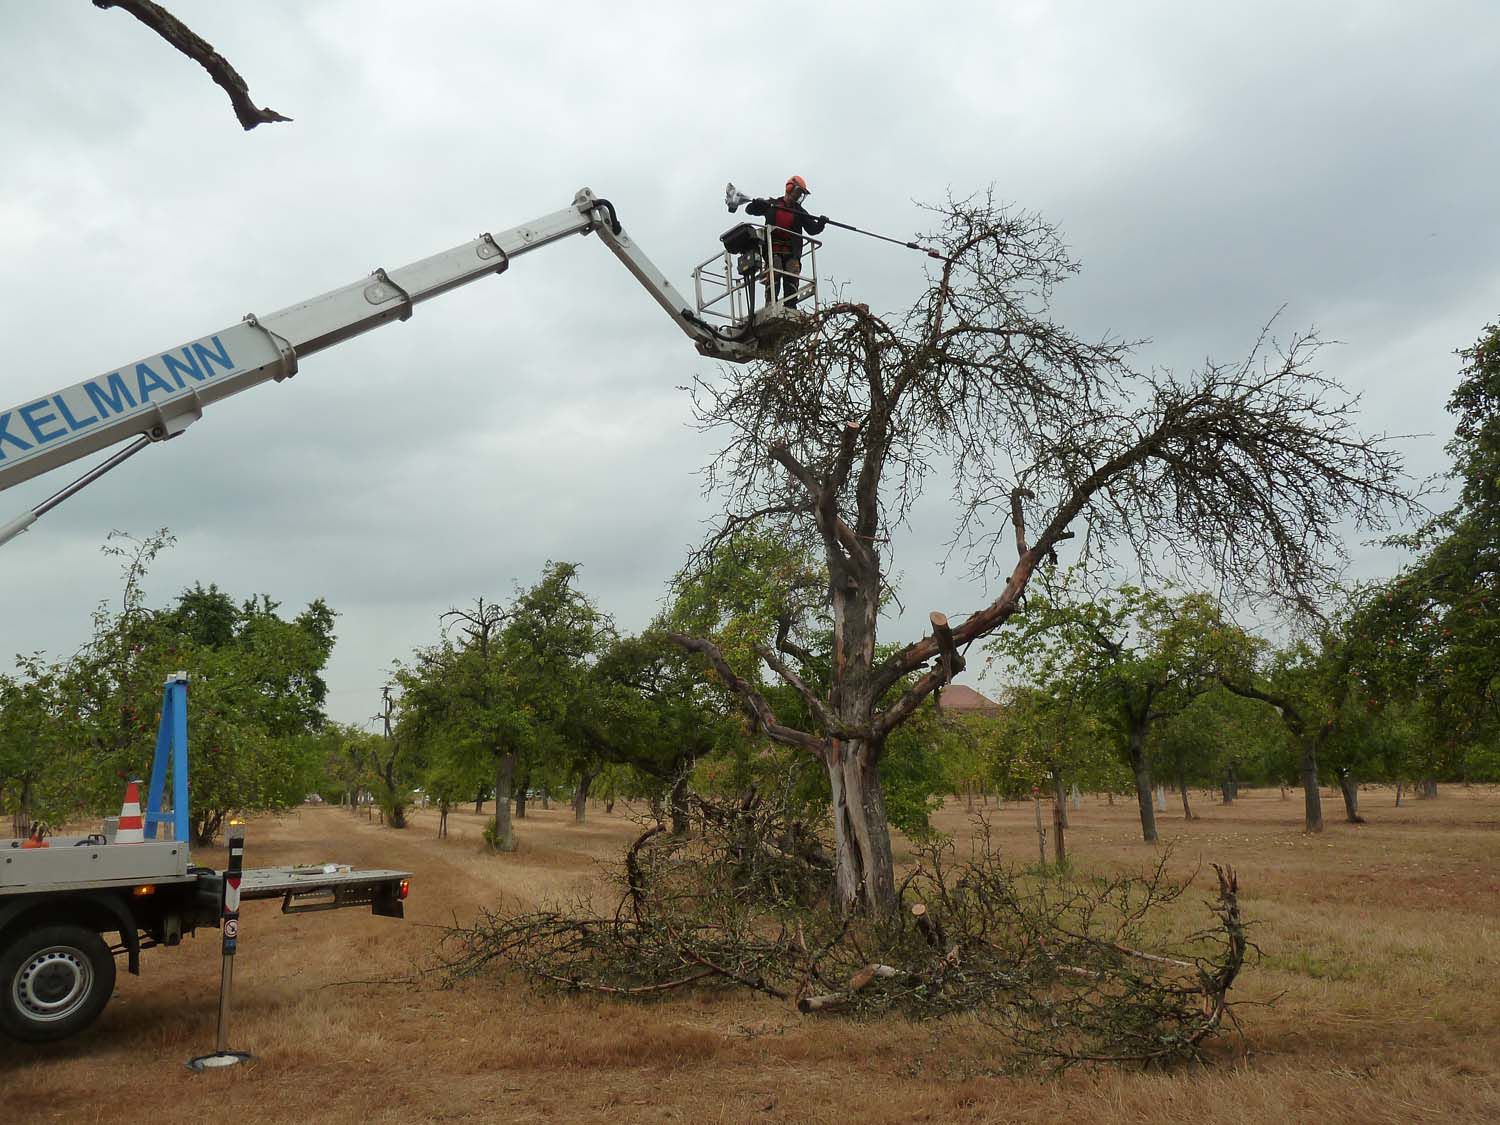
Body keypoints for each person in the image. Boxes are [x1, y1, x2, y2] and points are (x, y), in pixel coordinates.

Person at [745, 175, 827, 306]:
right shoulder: (772, 205)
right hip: (773, 250)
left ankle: (791, 306)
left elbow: (812, 229)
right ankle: (771, 303)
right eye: (798, 192)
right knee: (775, 269)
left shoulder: (799, 211)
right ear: (790, 188)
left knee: (792, 273)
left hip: (791, 251)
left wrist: (821, 223)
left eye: (801, 194)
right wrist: (756, 204)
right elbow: (749, 210)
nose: (799, 196)